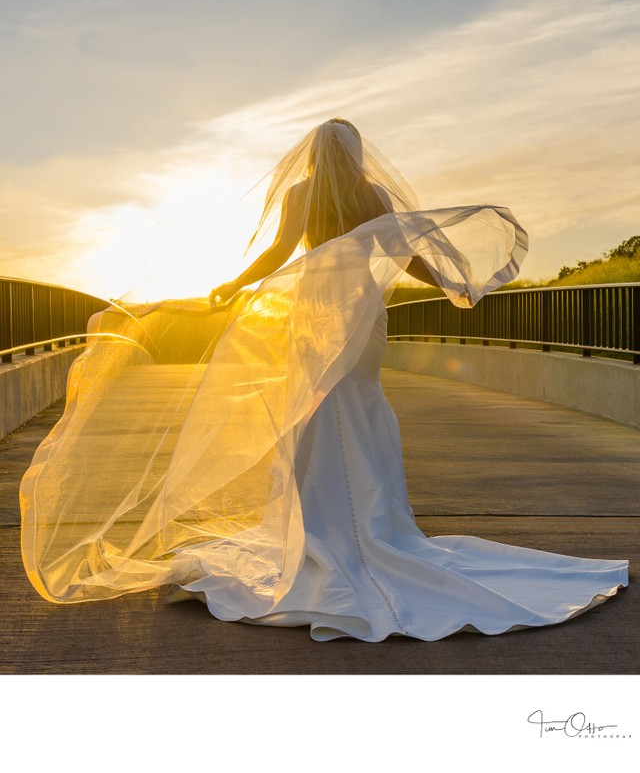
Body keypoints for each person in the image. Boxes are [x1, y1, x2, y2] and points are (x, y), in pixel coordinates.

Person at [20, 119, 627, 641]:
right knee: (358, 403)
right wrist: (448, 283)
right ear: (357, 155)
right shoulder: (374, 193)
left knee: (314, 409)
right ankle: (372, 526)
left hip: (315, 310)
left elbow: (279, 252)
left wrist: (233, 285)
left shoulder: (304, 195)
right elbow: (406, 251)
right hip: (360, 311)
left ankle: (319, 530)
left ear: (313, 157)